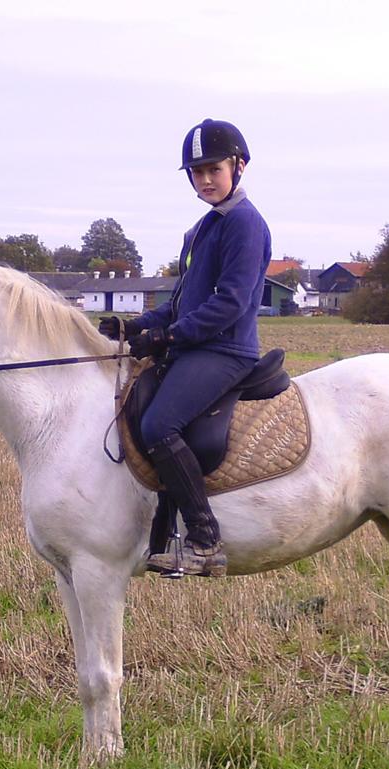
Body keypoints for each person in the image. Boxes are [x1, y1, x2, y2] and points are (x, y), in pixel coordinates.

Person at [99, 118, 271, 577]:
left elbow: (230, 304)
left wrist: (169, 337)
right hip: (194, 347)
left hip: (226, 351)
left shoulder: (244, 224)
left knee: (159, 425)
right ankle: (158, 533)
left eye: (213, 169)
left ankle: (204, 538)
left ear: (240, 166)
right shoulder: (199, 230)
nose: (206, 180)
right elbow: (179, 304)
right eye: (196, 173)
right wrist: (134, 326)